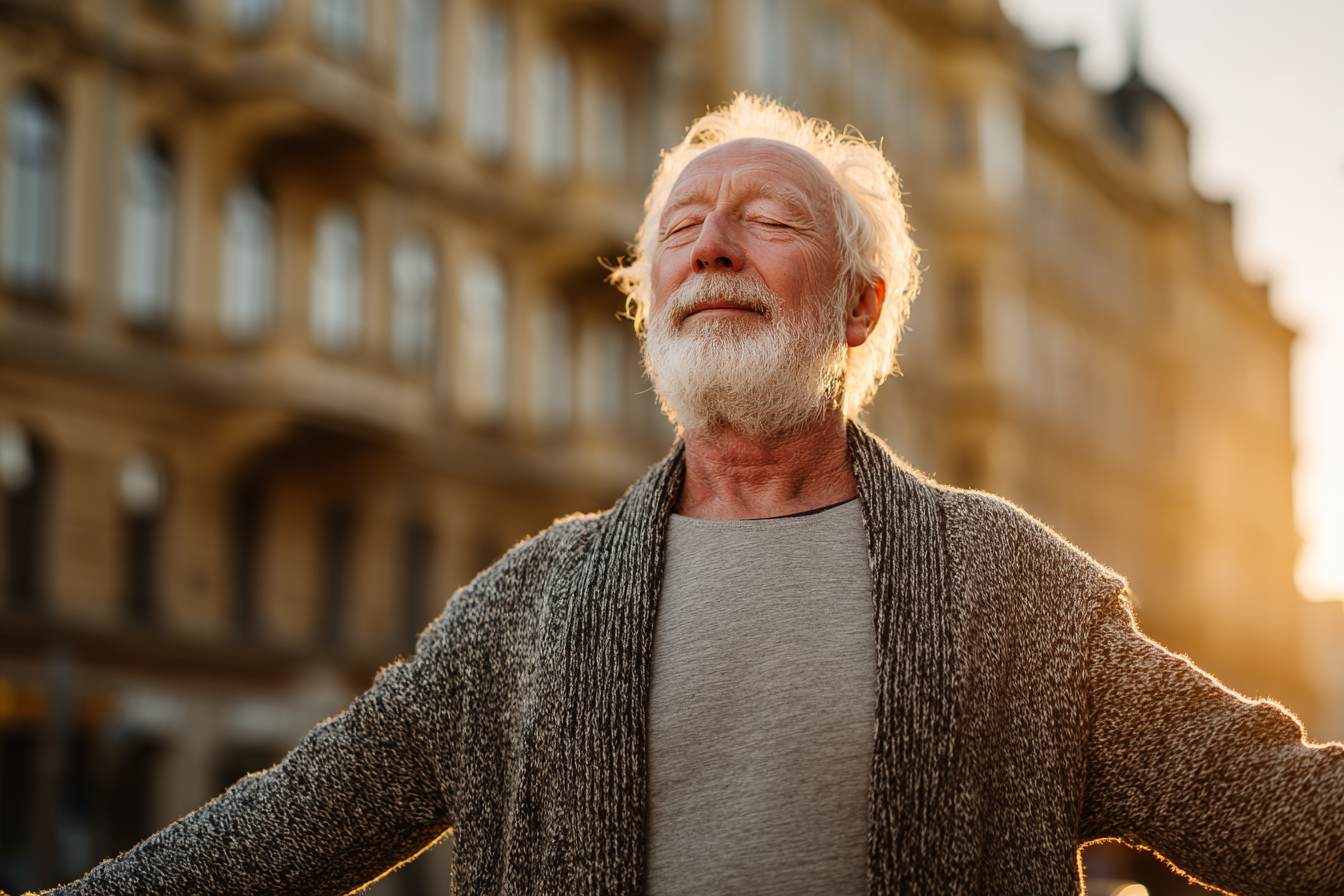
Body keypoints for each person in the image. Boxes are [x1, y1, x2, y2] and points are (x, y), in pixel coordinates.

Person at [38, 95, 1344, 896]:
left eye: (770, 219)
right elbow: (279, 832)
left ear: (860, 307)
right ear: (652, 299)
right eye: (681, 227)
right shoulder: (526, 608)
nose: (713, 242)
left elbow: (1270, 807)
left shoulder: (1015, 591)